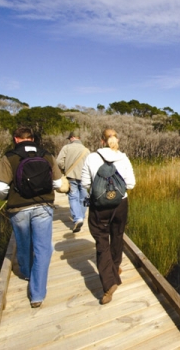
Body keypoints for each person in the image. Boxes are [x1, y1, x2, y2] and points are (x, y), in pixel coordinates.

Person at [0, 127, 63, 308]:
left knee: (23, 244)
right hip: (43, 207)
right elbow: (58, 183)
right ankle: (37, 294)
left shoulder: (9, 157)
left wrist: (7, 197)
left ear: (16, 139)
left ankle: (25, 272)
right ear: (32, 139)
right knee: (43, 248)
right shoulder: (46, 155)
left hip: (19, 208)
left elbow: (0, 188)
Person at [81, 128, 136, 305]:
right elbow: (131, 184)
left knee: (102, 240)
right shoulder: (124, 157)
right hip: (120, 204)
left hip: (99, 206)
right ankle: (116, 266)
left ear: (101, 141)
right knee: (117, 235)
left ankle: (109, 283)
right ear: (116, 140)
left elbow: (85, 183)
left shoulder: (91, 157)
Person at [56, 131, 90, 233]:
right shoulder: (86, 150)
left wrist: (64, 168)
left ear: (71, 138)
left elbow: (58, 162)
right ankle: (81, 217)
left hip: (71, 176)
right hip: (84, 177)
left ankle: (78, 218)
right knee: (84, 198)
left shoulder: (66, 148)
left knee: (73, 197)